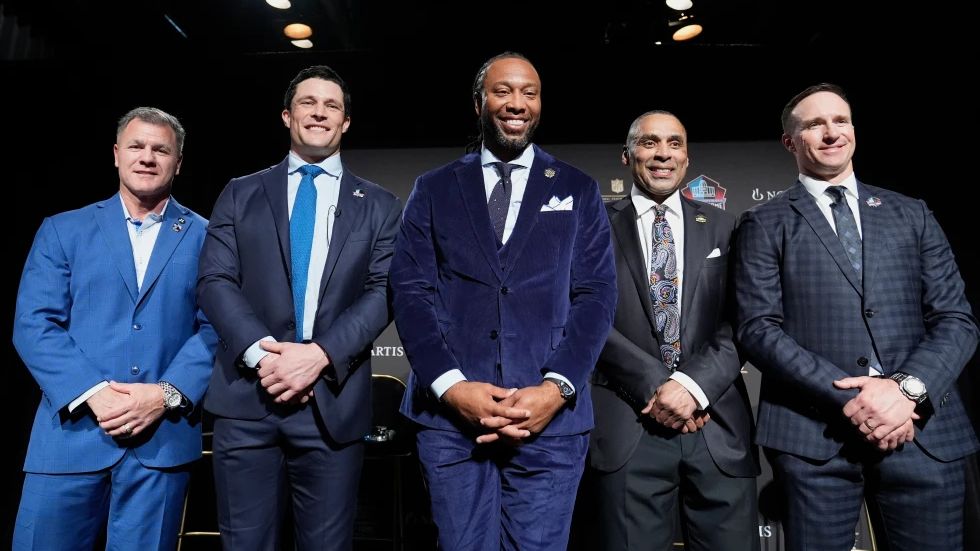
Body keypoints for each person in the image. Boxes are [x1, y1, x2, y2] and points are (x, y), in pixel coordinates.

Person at [733, 83, 979, 550]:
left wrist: (905, 392)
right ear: (791, 141)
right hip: (816, 442)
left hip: (922, 433)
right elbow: (758, 329)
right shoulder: (764, 223)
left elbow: (956, 319)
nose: (831, 133)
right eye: (814, 124)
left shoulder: (912, 214)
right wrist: (857, 400)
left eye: (840, 120)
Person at [389, 51, 617, 551]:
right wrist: (452, 389)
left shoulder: (578, 188)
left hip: (550, 422)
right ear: (479, 103)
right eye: (503, 91)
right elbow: (410, 293)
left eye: (529, 93)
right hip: (450, 422)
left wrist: (555, 390)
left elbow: (596, 295)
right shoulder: (433, 188)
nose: (517, 103)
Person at [197, 65, 401, 550]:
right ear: (287, 115)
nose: (320, 113)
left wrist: (319, 355)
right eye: (308, 102)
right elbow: (214, 280)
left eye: (332, 106)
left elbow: (384, 292)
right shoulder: (240, 192)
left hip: (331, 405)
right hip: (248, 400)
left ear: (346, 122)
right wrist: (266, 358)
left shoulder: (381, 205)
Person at [11, 107, 216, 550]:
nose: (147, 157)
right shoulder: (63, 230)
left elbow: (216, 327)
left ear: (178, 162)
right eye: (137, 146)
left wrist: (164, 394)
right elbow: (34, 324)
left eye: (161, 149)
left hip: (159, 444)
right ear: (116, 154)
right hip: (70, 438)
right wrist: (94, 393)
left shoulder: (209, 237)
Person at [589, 111, 759, 550]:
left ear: (687, 157)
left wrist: (692, 386)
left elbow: (745, 319)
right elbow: (584, 317)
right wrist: (658, 387)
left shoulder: (727, 225)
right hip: (629, 425)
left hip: (716, 424)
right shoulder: (590, 227)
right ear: (627, 156)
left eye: (675, 143)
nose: (663, 153)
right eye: (649, 143)